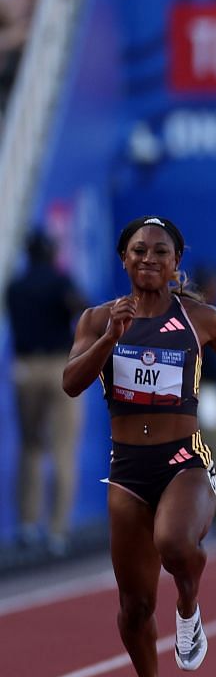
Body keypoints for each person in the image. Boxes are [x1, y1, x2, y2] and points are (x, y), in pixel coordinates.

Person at [61, 217, 216, 677]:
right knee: (132, 607)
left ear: (177, 262)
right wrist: (110, 337)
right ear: (123, 260)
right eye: (138, 251)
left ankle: (188, 606)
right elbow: (70, 383)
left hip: (185, 459)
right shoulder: (97, 319)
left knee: (175, 543)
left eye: (160, 251)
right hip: (127, 469)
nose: (148, 258)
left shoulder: (201, 319)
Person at [7, 228, 86, 553]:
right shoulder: (60, 281)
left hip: (25, 368)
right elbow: (81, 309)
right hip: (58, 367)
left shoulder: (15, 286)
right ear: (51, 253)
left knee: (30, 447)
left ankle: (27, 525)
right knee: (63, 448)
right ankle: (57, 530)